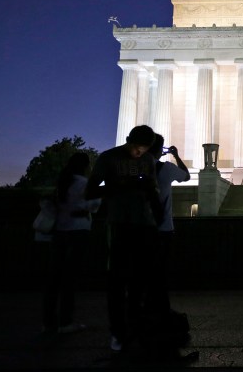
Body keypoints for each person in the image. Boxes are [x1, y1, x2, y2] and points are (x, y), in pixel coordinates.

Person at [85, 125, 160, 352]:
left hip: (144, 225)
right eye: (137, 148)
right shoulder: (108, 158)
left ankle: (136, 328)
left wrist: (155, 212)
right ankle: (117, 332)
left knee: (140, 281)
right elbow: (89, 191)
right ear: (128, 140)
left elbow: (153, 192)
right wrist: (120, 186)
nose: (140, 153)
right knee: (117, 281)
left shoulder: (148, 161)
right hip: (119, 224)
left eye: (144, 149)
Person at [42, 152, 101, 334]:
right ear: (85, 166)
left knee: (54, 279)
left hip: (60, 231)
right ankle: (65, 322)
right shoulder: (84, 183)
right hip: (78, 231)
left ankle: (48, 323)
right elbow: (95, 206)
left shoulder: (62, 182)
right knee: (69, 279)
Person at [149, 134, 190, 312]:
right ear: (160, 150)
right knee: (161, 271)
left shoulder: (134, 168)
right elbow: (186, 176)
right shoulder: (166, 169)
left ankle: (140, 308)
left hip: (138, 227)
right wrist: (176, 156)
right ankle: (161, 307)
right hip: (163, 228)